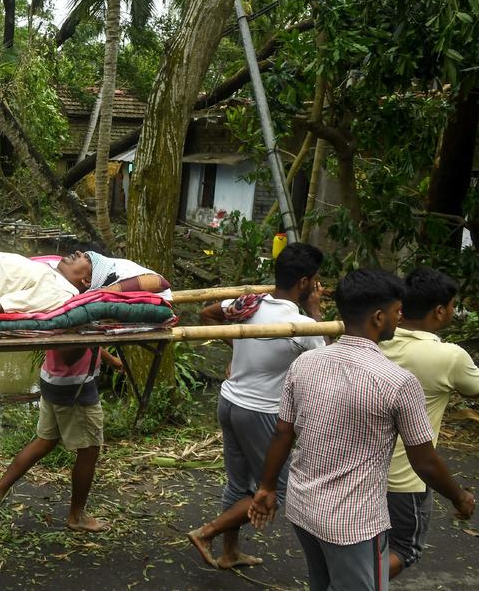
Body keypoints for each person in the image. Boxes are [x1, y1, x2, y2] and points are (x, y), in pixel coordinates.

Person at [248, 269, 475, 591]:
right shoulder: (397, 381)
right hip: (351, 522)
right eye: (398, 312)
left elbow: (283, 433)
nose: (401, 319)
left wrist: (267, 487)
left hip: (302, 506)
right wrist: (460, 496)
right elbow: (423, 462)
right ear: (379, 317)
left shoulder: (307, 363)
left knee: (322, 582)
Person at [0, 246, 167, 533]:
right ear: (84, 284)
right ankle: (76, 515)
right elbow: (66, 349)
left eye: (85, 260)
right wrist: (96, 328)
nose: (78, 254)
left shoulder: (71, 302)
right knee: (89, 450)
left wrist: (112, 359)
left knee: (45, 441)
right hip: (73, 388)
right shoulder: (74, 308)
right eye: (84, 259)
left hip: (54, 381)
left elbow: (84, 337)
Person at [188, 243, 326, 569]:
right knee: (276, 488)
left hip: (229, 401)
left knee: (238, 484)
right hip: (261, 412)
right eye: (316, 281)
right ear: (305, 282)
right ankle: (207, 533)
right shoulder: (304, 324)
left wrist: (237, 349)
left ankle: (228, 553)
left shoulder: (248, 303)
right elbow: (327, 360)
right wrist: (317, 313)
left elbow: (208, 313)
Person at [380, 267, 479, 579]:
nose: (452, 311)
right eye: (451, 306)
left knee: (368, 544)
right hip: (405, 478)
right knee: (403, 549)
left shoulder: (374, 338)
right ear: (439, 311)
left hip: (362, 471)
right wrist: (459, 496)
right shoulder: (449, 357)